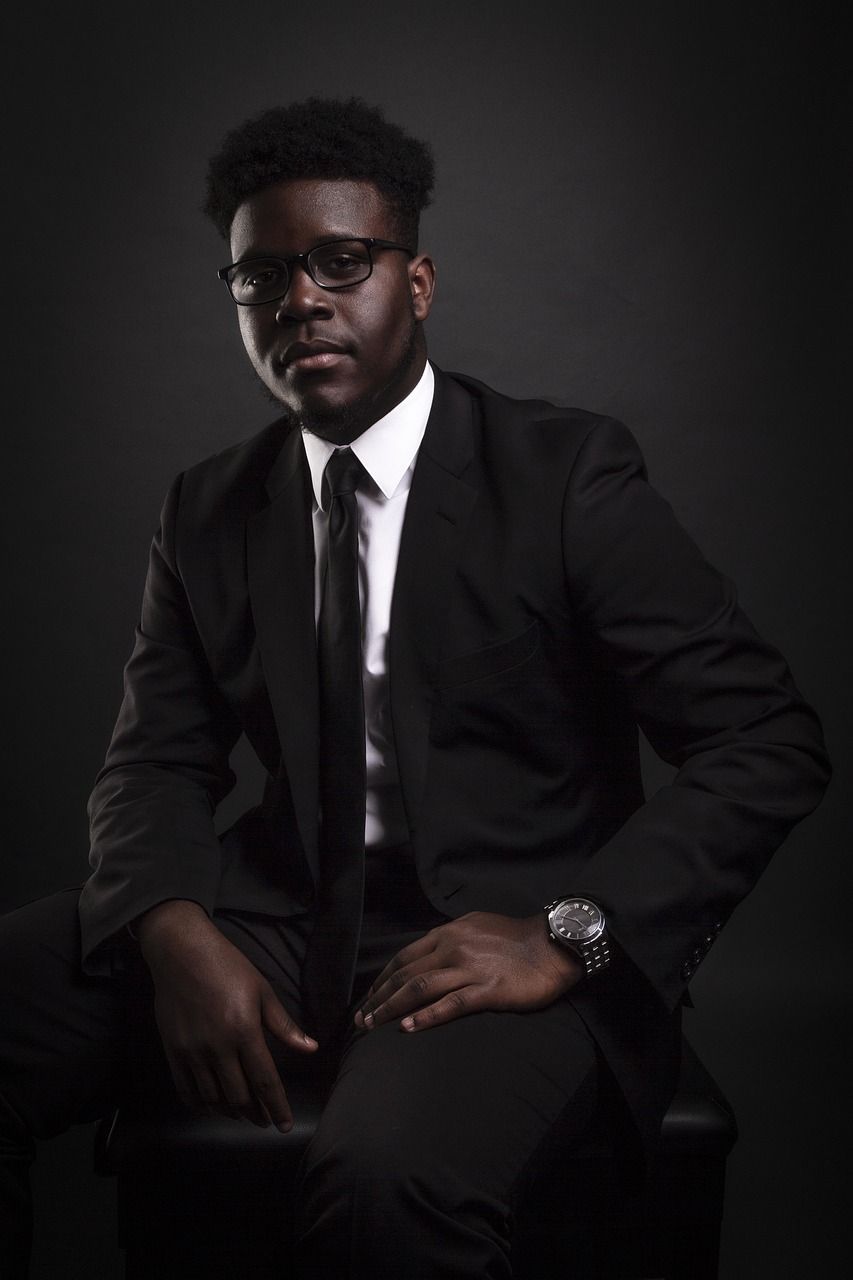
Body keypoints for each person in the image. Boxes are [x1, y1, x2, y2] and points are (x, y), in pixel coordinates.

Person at [0, 97, 830, 1278]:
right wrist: (172, 927)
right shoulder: (208, 507)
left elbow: (766, 736)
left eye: (342, 261)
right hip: (278, 912)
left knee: (382, 1188)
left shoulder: (563, 476)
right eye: (262, 276)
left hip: (498, 926)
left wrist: (572, 932)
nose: (300, 300)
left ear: (419, 282)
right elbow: (154, 760)